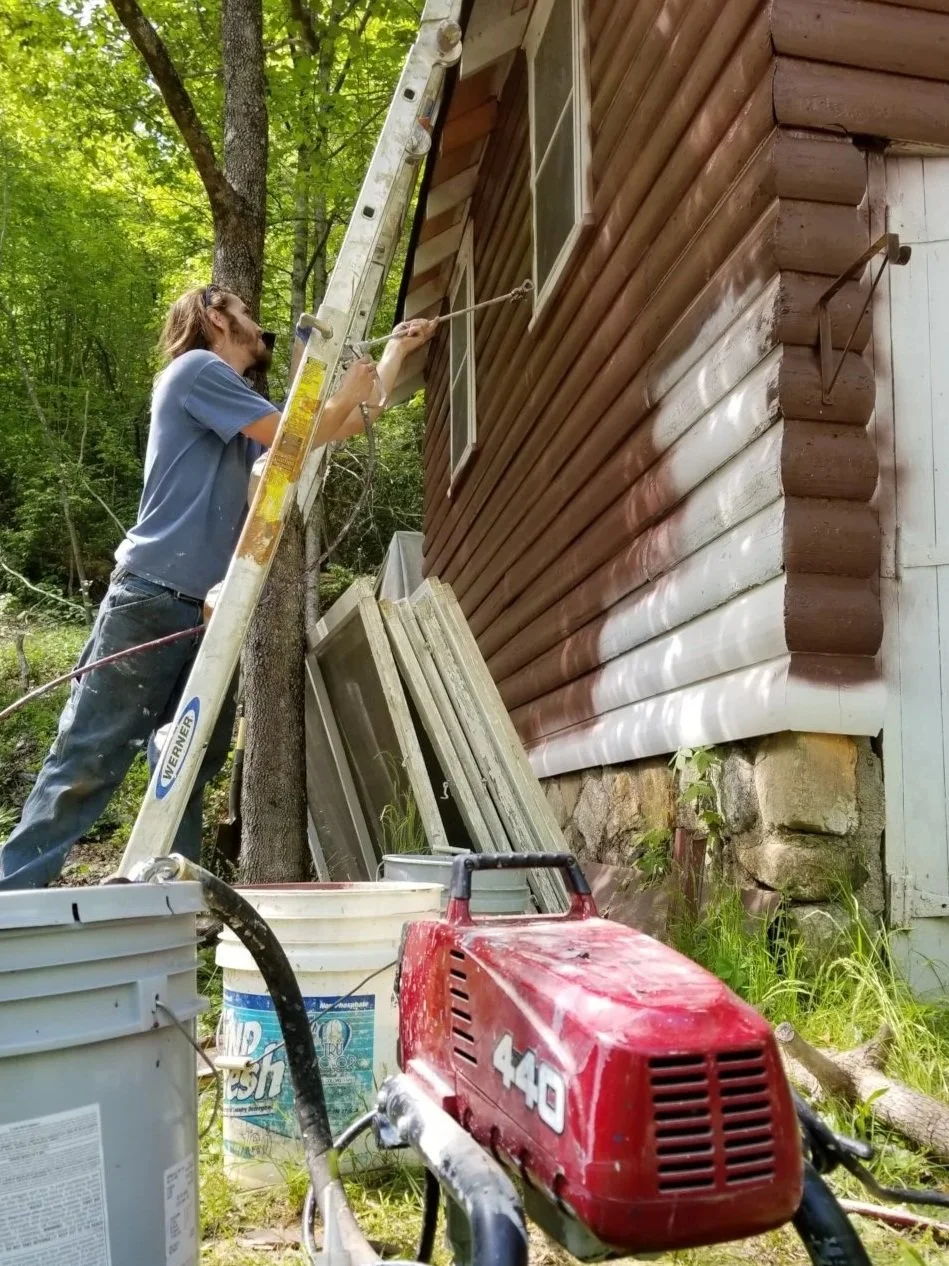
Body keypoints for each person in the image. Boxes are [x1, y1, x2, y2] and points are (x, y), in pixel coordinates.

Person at [0, 283, 436, 889]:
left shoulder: (227, 403)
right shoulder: (198, 369)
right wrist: (344, 392)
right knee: (88, 758)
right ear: (213, 314)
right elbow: (300, 434)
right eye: (247, 314)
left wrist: (392, 355)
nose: (260, 328)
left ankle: (164, 902)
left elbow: (337, 423)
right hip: (152, 594)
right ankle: (10, 903)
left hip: (206, 607)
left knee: (184, 761)